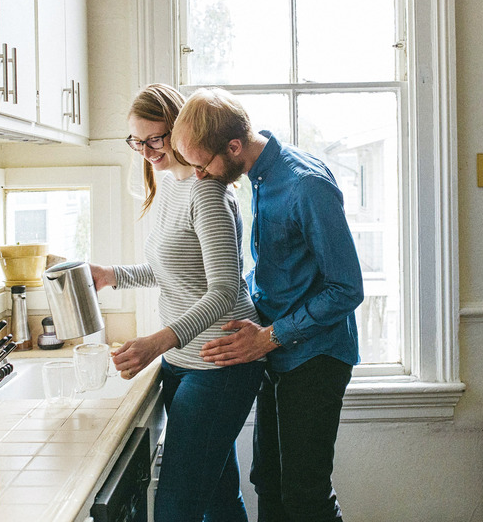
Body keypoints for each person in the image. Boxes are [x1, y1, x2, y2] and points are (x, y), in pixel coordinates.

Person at [171, 88, 365, 522]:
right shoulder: (259, 177)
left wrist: (269, 337)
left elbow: (347, 288)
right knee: (268, 482)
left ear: (233, 147)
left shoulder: (304, 185)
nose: (199, 176)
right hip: (276, 352)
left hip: (315, 357)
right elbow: (280, 270)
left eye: (203, 165)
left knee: (305, 496)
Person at [88, 84, 265, 522]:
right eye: (137, 142)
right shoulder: (170, 185)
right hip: (183, 363)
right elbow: (174, 270)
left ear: (180, 129)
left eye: (155, 139)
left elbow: (223, 291)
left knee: (175, 510)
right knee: (219, 500)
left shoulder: (208, 194)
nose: (147, 152)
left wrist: (158, 342)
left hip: (221, 364)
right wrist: (112, 275)